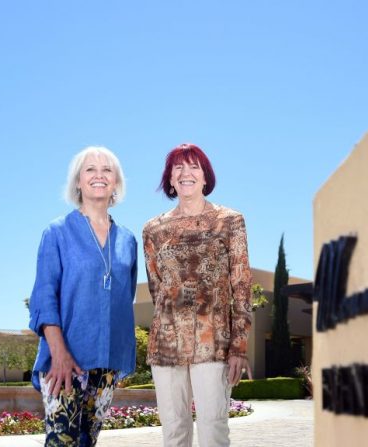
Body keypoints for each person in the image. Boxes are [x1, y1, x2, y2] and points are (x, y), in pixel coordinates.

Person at [143, 143, 253, 447]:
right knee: (174, 430)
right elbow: (157, 288)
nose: (185, 173)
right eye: (178, 167)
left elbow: (241, 285)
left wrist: (239, 348)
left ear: (205, 177)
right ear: (170, 178)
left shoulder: (230, 221)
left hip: (213, 344)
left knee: (213, 429)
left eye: (193, 166)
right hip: (166, 346)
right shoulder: (153, 229)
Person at [28, 146, 138, 447]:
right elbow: (44, 296)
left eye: (107, 170)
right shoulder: (57, 232)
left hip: (107, 361)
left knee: (88, 442)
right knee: (61, 442)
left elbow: (123, 298)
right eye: (90, 169)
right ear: (78, 181)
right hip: (64, 361)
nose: (99, 176)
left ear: (116, 182)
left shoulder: (128, 241)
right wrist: (59, 353)